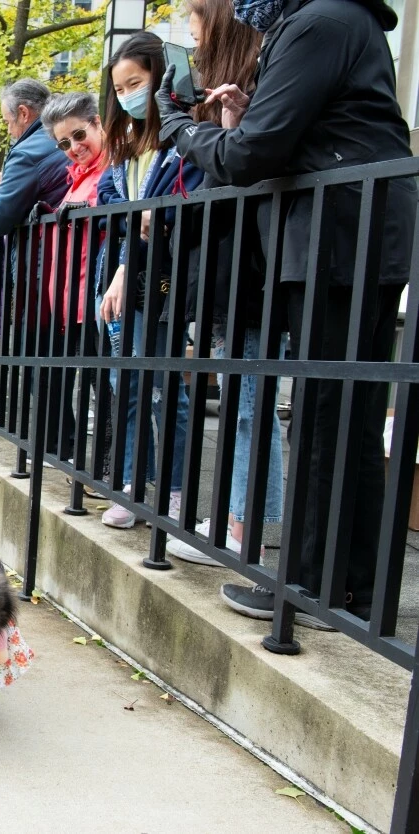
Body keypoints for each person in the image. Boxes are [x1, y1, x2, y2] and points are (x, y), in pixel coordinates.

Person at [155, 0, 416, 623]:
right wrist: (246, 122)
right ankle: (353, 583)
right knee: (346, 412)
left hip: (338, 235)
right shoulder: (333, 20)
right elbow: (289, 135)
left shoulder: (319, 21)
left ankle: (307, 586)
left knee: (327, 412)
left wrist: (180, 129)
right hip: (356, 228)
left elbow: (250, 156)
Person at [163, 0, 279, 566]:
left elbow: (239, 169)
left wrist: (188, 129)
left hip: (253, 275)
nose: (195, 49)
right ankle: (241, 522)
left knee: (251, 403)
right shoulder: (242, 96)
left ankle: (244, 528)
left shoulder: (266, 74)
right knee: (245, 400)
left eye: (197, 34)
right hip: (238, 273)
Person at [97, 32, 204, 529]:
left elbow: (182, 208)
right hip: (129, 273)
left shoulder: (183, 138)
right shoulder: (126, 148)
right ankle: (132, 484)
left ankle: (176, 490)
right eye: (119, 89)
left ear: (159, 79)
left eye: (134, 84)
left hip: (164, 279)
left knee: (167, 386)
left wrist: (151, 225)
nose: (127, 96)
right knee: (131, 384)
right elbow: (112, 210)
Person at [31, 92, 111, 464]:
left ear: (97, 123)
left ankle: (109, 468)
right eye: (64, 143)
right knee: (94, 382)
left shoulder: (110, 167)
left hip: (95, 297)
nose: (73, 147)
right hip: (71, 299)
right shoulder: (77, 176)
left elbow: (115, 215)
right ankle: (98, 466)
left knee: (106, 386)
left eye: (79, 135)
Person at [0, 79, 71, 243]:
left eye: (7, 122)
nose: (9, 130)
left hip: (42, 252)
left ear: (23, 113)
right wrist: (9, 180)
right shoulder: (65, 135)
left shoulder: (25, 154)